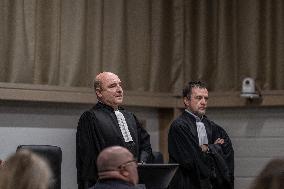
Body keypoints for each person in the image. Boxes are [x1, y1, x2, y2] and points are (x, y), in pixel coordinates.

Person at [76, 72, 153, 189]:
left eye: (120, 85)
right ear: (99, 92)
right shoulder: (90, 117)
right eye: (112, 86)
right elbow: (88, 160)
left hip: (133, 182)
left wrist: (141, 164)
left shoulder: (130, 116)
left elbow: (145, 144)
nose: (119, 90)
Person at [168, 81, 234, 189]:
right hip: (187, 183)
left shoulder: (212, 126)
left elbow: (226, 150)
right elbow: (190, 160)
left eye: (206, 98)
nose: (203, 102)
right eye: (199, 98)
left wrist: (206, 148)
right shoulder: (179, 126)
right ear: (186, 101)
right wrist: (214, 149)